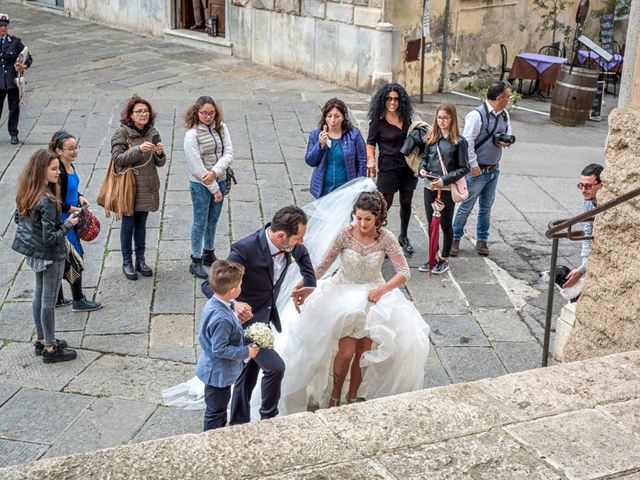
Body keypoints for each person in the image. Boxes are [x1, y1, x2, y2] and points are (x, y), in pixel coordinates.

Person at [278, 190, 430, 413]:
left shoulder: (385, 238)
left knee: (363, 353)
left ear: (377, 217)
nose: (362, 223)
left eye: (367, 219)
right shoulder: (345, 235)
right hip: (342, 296)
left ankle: (353, 397)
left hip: (373, 298)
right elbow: (322, 265)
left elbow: (404, 272)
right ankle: (334, 396)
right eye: (358, 218)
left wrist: (382, 290)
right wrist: (305, 284)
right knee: (346, 352)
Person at [12, 149, 80, 363]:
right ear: (41, 170)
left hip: (34, 253)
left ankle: (42, 340)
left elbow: (17, 219)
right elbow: (51, 237)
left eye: (57, 168)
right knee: (48, 301)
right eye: (53, 169)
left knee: (39, 295)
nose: (58, 172)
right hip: (50, 254)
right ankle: (50, 348)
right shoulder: (47, 199)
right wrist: (69, 223)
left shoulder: (27, 191)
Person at [451, 80, 514, 257]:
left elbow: (507, 134)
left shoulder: (504, 115)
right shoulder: (477, 115)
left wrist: (504, 142)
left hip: (494, 169)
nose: (509, 99)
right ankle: (455, 239)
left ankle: (482, 241)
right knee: (466, 206)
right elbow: (467, 142)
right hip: (478, 171)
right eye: (508, 96)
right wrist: (474, 166)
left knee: (486, 208)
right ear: (499, 98)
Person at [195, 260, 259, 431]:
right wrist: (247, 351)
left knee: (219, 407)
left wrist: (237, 321)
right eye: (240, 284)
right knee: (216, 410)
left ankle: (219, 432)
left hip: (218, 371)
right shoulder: (221, 318)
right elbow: (219, 349)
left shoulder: (217, 303)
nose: (241, 286)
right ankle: (211, 440)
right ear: (232, 291)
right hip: (218, 373)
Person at [110, 95, 166, 281]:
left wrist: (159, 153)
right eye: (139, 111)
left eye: (146, 111)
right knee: (128, 224)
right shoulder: (122, 134)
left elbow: (160, 163)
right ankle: (127, 261)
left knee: (142, 224)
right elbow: (117, 160)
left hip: (147, 187)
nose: (143, 114)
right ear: (130, 116)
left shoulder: (152, 131)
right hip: (129, 188)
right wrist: (139, 150)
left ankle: (140, 260)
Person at [49, 130, 103, 312]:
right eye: (70, 149)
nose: (74, 152)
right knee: (75, 258)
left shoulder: (69, 166)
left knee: (63, 259)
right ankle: (78, 299)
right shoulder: (59, 173)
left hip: (72, 216)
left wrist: (80, 197)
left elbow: (71, 190)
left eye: (76, 147)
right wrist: (75, 210)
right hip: (66, 220)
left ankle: (57, 298)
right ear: (59, 151)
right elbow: (57, 201)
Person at [418, 103, 469, 274]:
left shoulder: (459, 142)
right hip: (430, 186)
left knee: (446, 224)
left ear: (452, 119)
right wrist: (422, 169)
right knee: (431, 224)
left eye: (445, 118)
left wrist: (444, 180)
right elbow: (424, 159)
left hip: (446, 189)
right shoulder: (431, 137)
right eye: (439, 117)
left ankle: (444, 258)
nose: (441, 121)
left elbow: (464, 167)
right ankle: (433, 256)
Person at [184, 96, 232, 279]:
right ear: (197, 113)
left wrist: (215, 171)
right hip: (200, 185)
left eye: (211, 113)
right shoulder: (192, 135)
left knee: (213, 220)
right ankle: (195, 259)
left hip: (218, 178)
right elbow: (196, 167)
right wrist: (214, 188)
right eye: (204, 113)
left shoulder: (221, 127)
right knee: (200, 221)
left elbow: (229, 153)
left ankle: (208, 252)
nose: (208, 116)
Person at [366, 83, 417, 256]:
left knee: (406, 202)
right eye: (389, 99)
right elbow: (370, 142)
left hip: (408, 167)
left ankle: (403, 236)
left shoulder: (407, 120)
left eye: (396, 99)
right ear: (384, 100)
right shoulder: (378, 122)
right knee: (384, 205)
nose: (393, 102)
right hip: (388, 167)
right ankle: (379, 239)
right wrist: (371, 160)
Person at [305, 98, 367, 198]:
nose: (333, 120)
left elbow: (362, 160)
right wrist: (320, 145)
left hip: (347, 188)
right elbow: (310, 161)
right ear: (325, 117)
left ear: (343, 117)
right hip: (324, 188)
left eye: (337, 116)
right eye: (329, 116)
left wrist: (358, 184)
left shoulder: (354, 134)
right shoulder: (316, 135)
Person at [563, 163, 604, 289]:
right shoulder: (588, 202)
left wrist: (581, 270)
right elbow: (588, 234)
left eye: (588, 186)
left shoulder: (606, 204)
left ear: (601, 185)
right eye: (581, 185)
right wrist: (584, 266)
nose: (583, 190)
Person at [0, 13, 32, 145]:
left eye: (5, 26)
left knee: (14, 108)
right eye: (1, 25)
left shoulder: (14, 42)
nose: (3, 28)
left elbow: (28, 57)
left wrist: (23, 65)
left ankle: (13, 133)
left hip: (12, 81)